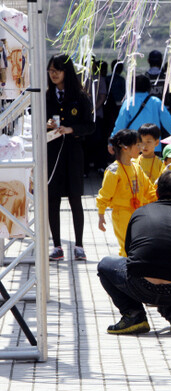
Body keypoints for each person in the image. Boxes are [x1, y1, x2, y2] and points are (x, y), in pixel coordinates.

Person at [97, 169, 171, 335]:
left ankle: (133, 314)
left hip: (140, 286)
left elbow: (130, 253)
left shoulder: (139, 213)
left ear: (156, 192)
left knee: (104, 265)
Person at [46, 54, 95, 261]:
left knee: (75, 198)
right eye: (51, 70)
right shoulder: (46, 96)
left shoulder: (80, 96)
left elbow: (90, 126)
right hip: (52, 152)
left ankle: (79, 245)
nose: (54, 74)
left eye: (57, 70)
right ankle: (57, 245)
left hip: (73, 153)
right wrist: (47, 125)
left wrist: (71, 129)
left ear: (67, 71)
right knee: (53, 198)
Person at [97, 129, 156, 257]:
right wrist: (101, 215)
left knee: (136, 246)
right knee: (127, 247)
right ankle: (126, 273)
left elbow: (149, 190)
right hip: (122, 214)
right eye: (137, 145)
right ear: (125, 147)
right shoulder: (114, 170)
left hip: (138, 212)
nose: (140, 148)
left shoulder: (136, 167)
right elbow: (104, 195)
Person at [110, 74, 171, 155]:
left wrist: (112, 142)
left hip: (134, 146)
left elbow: (120, 124)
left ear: (133, 87)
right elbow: (169, 124)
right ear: (149, 87)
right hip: (154, 146)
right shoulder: (156, 102)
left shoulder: (128, 102)